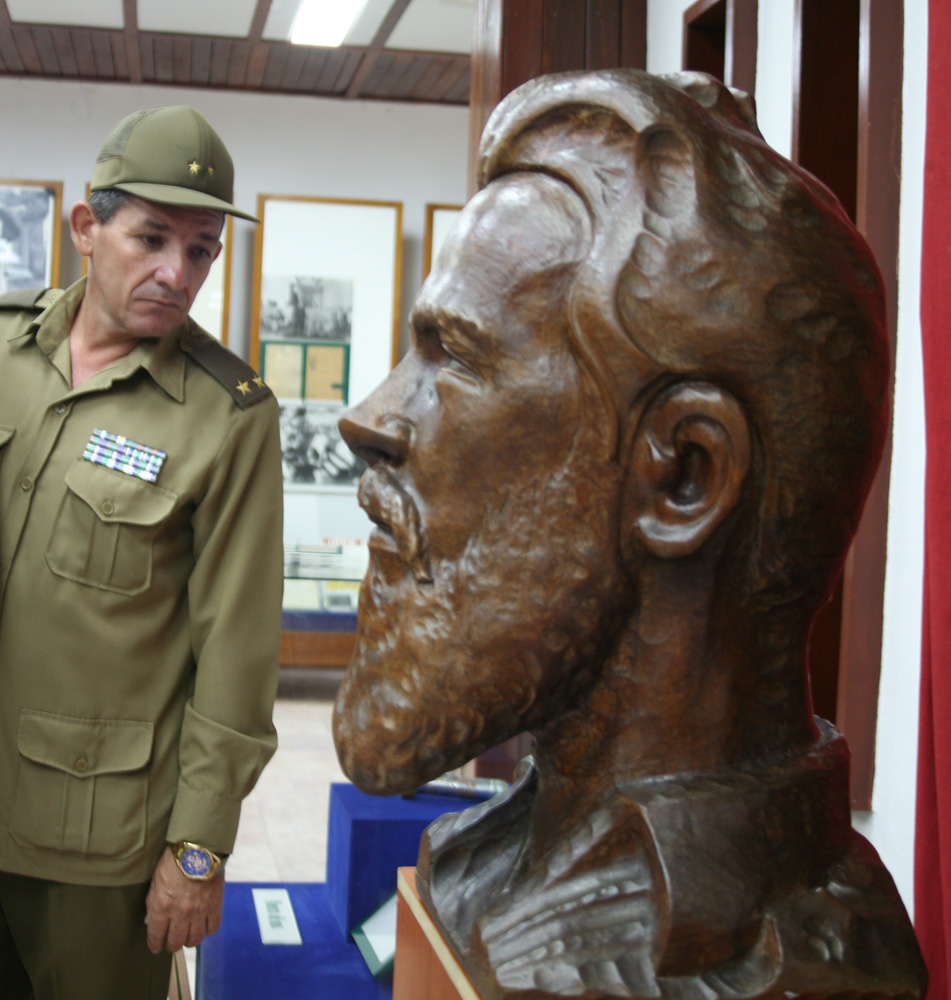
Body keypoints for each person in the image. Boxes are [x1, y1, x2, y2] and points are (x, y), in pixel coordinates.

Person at [333, 70, 927, 999]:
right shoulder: (485, 856)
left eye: (453, 356)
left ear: (684, 477)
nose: (368, 417)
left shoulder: (786, 967)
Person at [0, 106, 284, 999]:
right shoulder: (4, 352)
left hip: (94, 845)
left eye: (201, 250)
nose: (177, 272)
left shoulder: (227, 417)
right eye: (152, 236)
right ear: (87, 227)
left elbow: (237, 661)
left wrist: (198, 854)